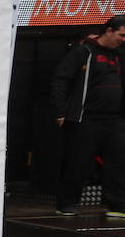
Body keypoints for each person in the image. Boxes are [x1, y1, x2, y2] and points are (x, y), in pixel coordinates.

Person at [50, 15, 125, 217]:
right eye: (121, 35)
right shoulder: (84, 52)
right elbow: (61, 80)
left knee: (118, 159)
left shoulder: (120, 55)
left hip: (114, 118)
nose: (123, 39)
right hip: (86, 117)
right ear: (108, 31)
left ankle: (117, 204)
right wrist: (60, 111)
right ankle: (66, 203)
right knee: (78, 161)